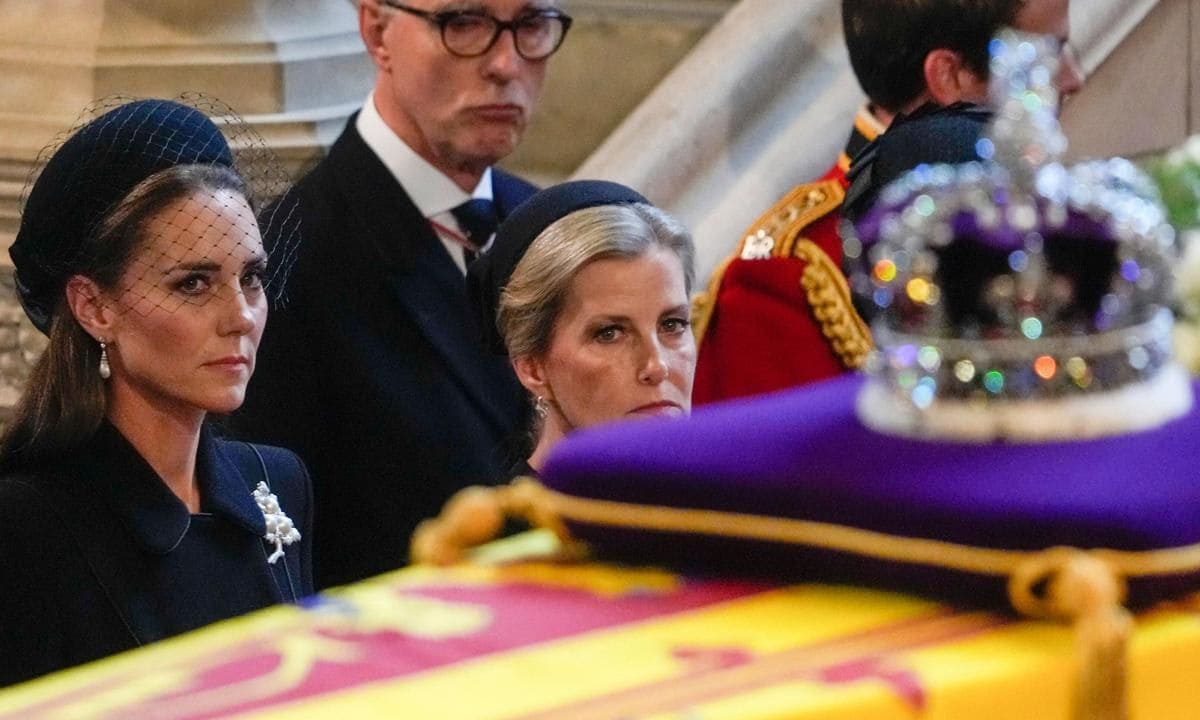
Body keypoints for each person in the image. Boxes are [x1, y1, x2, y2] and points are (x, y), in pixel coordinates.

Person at [234, 0, 573, 589]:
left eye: (531, 25)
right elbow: (276, 560)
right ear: (376, 30)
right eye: (463, 24)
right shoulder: (288, 263)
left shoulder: (553, 226)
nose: (504, 63)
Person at [0, 98, 312, 688]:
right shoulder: (27, 528)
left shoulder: (278, 484)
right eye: (193, 283)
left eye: (251, 277)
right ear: (94, 307)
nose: (241, 316)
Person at [691, 0, 1084, 404]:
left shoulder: (1060, 213)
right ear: (948, 76)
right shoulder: (788, 280)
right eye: (1047, 57)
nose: (1074, 78)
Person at [468, 180, 697, 477]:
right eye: (609, 333)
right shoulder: (514, 523)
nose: (657, 365)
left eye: (672, 324)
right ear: (532, 367)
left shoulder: (741, 511)